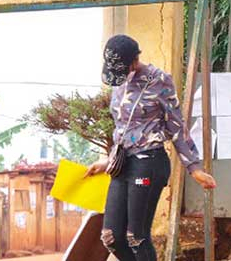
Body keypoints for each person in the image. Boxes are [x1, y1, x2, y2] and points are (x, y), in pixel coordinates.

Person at [85, 34, 217, 261]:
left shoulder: (159, 81)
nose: (118, 77)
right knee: (111, 237)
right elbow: (123, 127)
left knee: (136, 236)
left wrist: (194, 167)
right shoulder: (120, 83)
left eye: (122, 70)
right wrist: (107, 160)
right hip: (123, 163)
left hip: (149, 163)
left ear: (134, 61)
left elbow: (176, 125)